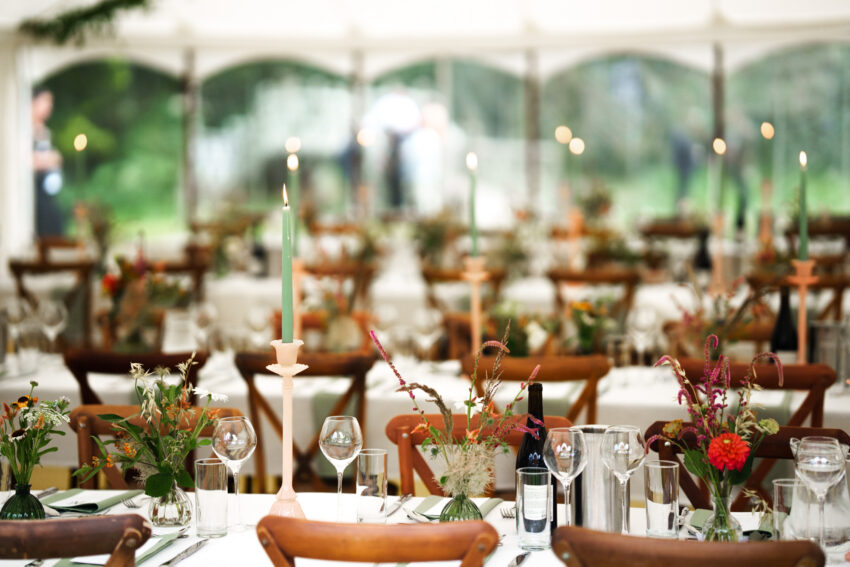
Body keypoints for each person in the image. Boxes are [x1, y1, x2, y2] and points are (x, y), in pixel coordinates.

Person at [32, 87, 64, 236]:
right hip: (34, 190)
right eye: (46, 101)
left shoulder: (44, 131)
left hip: (47, 191)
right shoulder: (25, 129)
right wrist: (50, 159)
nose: (49, 106)